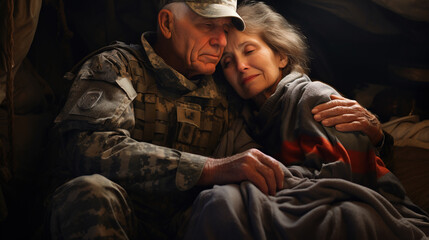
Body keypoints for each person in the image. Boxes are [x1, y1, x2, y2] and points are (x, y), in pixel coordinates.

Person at [47, 0, 392, 239]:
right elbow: (91, 149)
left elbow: (259, 158)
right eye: (207, 25)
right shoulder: (116, 67)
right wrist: (209, 169)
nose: (220, 40)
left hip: (185, 224)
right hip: (120, 214)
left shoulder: (225, 88)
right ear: (167, 23)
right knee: (90, 192)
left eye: (225, 28)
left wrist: (377, 137)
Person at [184, 1, 429, 239]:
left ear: (280, 56)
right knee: (217, 202)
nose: (241, 66)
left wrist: (262, 178)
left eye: (249, 51)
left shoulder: (313, 97)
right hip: (302, 203)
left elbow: (348, 177)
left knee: (224, 203)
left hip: (362, 204)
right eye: (227, 62)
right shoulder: (247, 123)